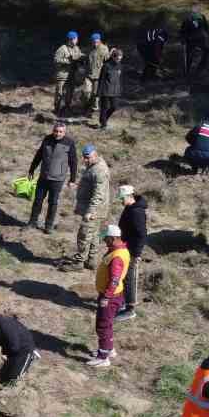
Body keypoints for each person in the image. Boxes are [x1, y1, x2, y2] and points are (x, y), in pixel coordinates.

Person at [87, 225, 130, 368]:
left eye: (106, 239)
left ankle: (103, 357)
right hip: (115, 295)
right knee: (108, 323)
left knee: (103, 326)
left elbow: (114, 280)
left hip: (110, 297)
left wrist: (106, 297)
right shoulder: (119, 250)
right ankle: (109, 349)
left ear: (113, 238)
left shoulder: (117, 257)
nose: (104, 241)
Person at [26, 122, 77, 232]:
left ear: (64, 132)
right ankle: (32, 222)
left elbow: (73, 162)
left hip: (57, 179)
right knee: (38, 200)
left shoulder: (69, 143)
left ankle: (48, 226)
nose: (57, 134)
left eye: (60, 132)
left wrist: (72, 179)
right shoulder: (47, 139)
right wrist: (31, 169)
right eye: (56, 131)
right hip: (43, 176)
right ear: (53, 130)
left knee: (53, 202)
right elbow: (39, 155)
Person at [71, 143, 111, 269]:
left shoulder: (99, 170)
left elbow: (99, 194)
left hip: (94, 210)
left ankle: (78, 262)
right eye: (84, 157)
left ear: (95, 155)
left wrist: (91, 211)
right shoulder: (94, 166)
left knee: (84, 234)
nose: (85, 160)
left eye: (88, 157)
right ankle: (92, 261)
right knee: (94, 235)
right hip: (95, 208)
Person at [115, 185, 148, 321]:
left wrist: (137, 254)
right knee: (124, 277)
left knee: (130, 279)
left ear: (130, 196)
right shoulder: (130, 208)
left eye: (122, 198)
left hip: (132, 251)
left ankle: (130, 309)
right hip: (125, 248)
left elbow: (142, 234)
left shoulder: (136, 212)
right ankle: (123, 303)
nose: (121, 201)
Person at [0, 311, 37, 384]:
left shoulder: (5, 326)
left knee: (12, 378)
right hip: (12, 347)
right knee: (2, 375)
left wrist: (2, 354)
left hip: (23, 350)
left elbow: (15, 347)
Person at [53, 31, 85, 115]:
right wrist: (68, 61)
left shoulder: (76, 48)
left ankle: (67, 108)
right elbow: (56, 60)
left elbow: (79, 55)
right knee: (60, 93)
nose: (77, 40)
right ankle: (57, 109)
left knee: (70, 92)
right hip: (62, 75)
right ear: (71, 39)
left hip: (72, 74)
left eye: (76, 39)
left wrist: (82, 57)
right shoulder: (62, 49)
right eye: (76, 39)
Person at [96, 48, 124, 130]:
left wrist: (121, 89)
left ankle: (103, 119)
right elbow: (101, 79)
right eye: (117, 58)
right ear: (113, 57)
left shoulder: (120, 66)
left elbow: (121, 79)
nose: (119, 59)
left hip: (115, 91)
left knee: (114, 107)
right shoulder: (106, 66)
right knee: (104, 107)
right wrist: (99, 92)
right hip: (106, 90)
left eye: (120, 58)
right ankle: (103, 125)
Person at [180, 7, 209, 79]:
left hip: (201, 40)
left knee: (205, 54)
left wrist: (208, 36)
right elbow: (183, 31)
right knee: (189, 57)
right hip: (191, 40)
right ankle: (187, 72)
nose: (196, 15)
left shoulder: (202, 17)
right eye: (194, 14)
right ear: (191, 14)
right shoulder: (187, 20)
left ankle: (200, 70)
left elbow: (206, 28)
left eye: (197, 14)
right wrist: (183, 40)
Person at [84, 33, 110, 116]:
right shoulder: (89, 48)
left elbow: (108, 61)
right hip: (88, 75)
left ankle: (93, 110)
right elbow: (86, 59)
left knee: (95, 95)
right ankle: (87, 106)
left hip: (98, 76)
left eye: (96, 41)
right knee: (86, 91)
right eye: (93, 42)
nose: (95, 43)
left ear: (99, 40)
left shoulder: (104, 49)